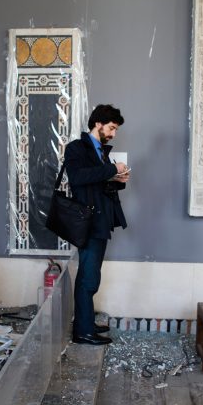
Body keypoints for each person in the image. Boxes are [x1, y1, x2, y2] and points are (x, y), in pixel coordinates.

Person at [63, 104, 130, 345]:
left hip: (100, 221)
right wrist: (111, 169)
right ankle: (82, 332)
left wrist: (117, 179)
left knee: (91, 275)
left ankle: (87, 323)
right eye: (111, 128)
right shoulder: (76, 148)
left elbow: (98, 183)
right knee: (88, 277)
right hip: (88, 222)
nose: (113, 134)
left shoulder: (101, 150)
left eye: (115, 130)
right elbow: (78, 178)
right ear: (98, 123)